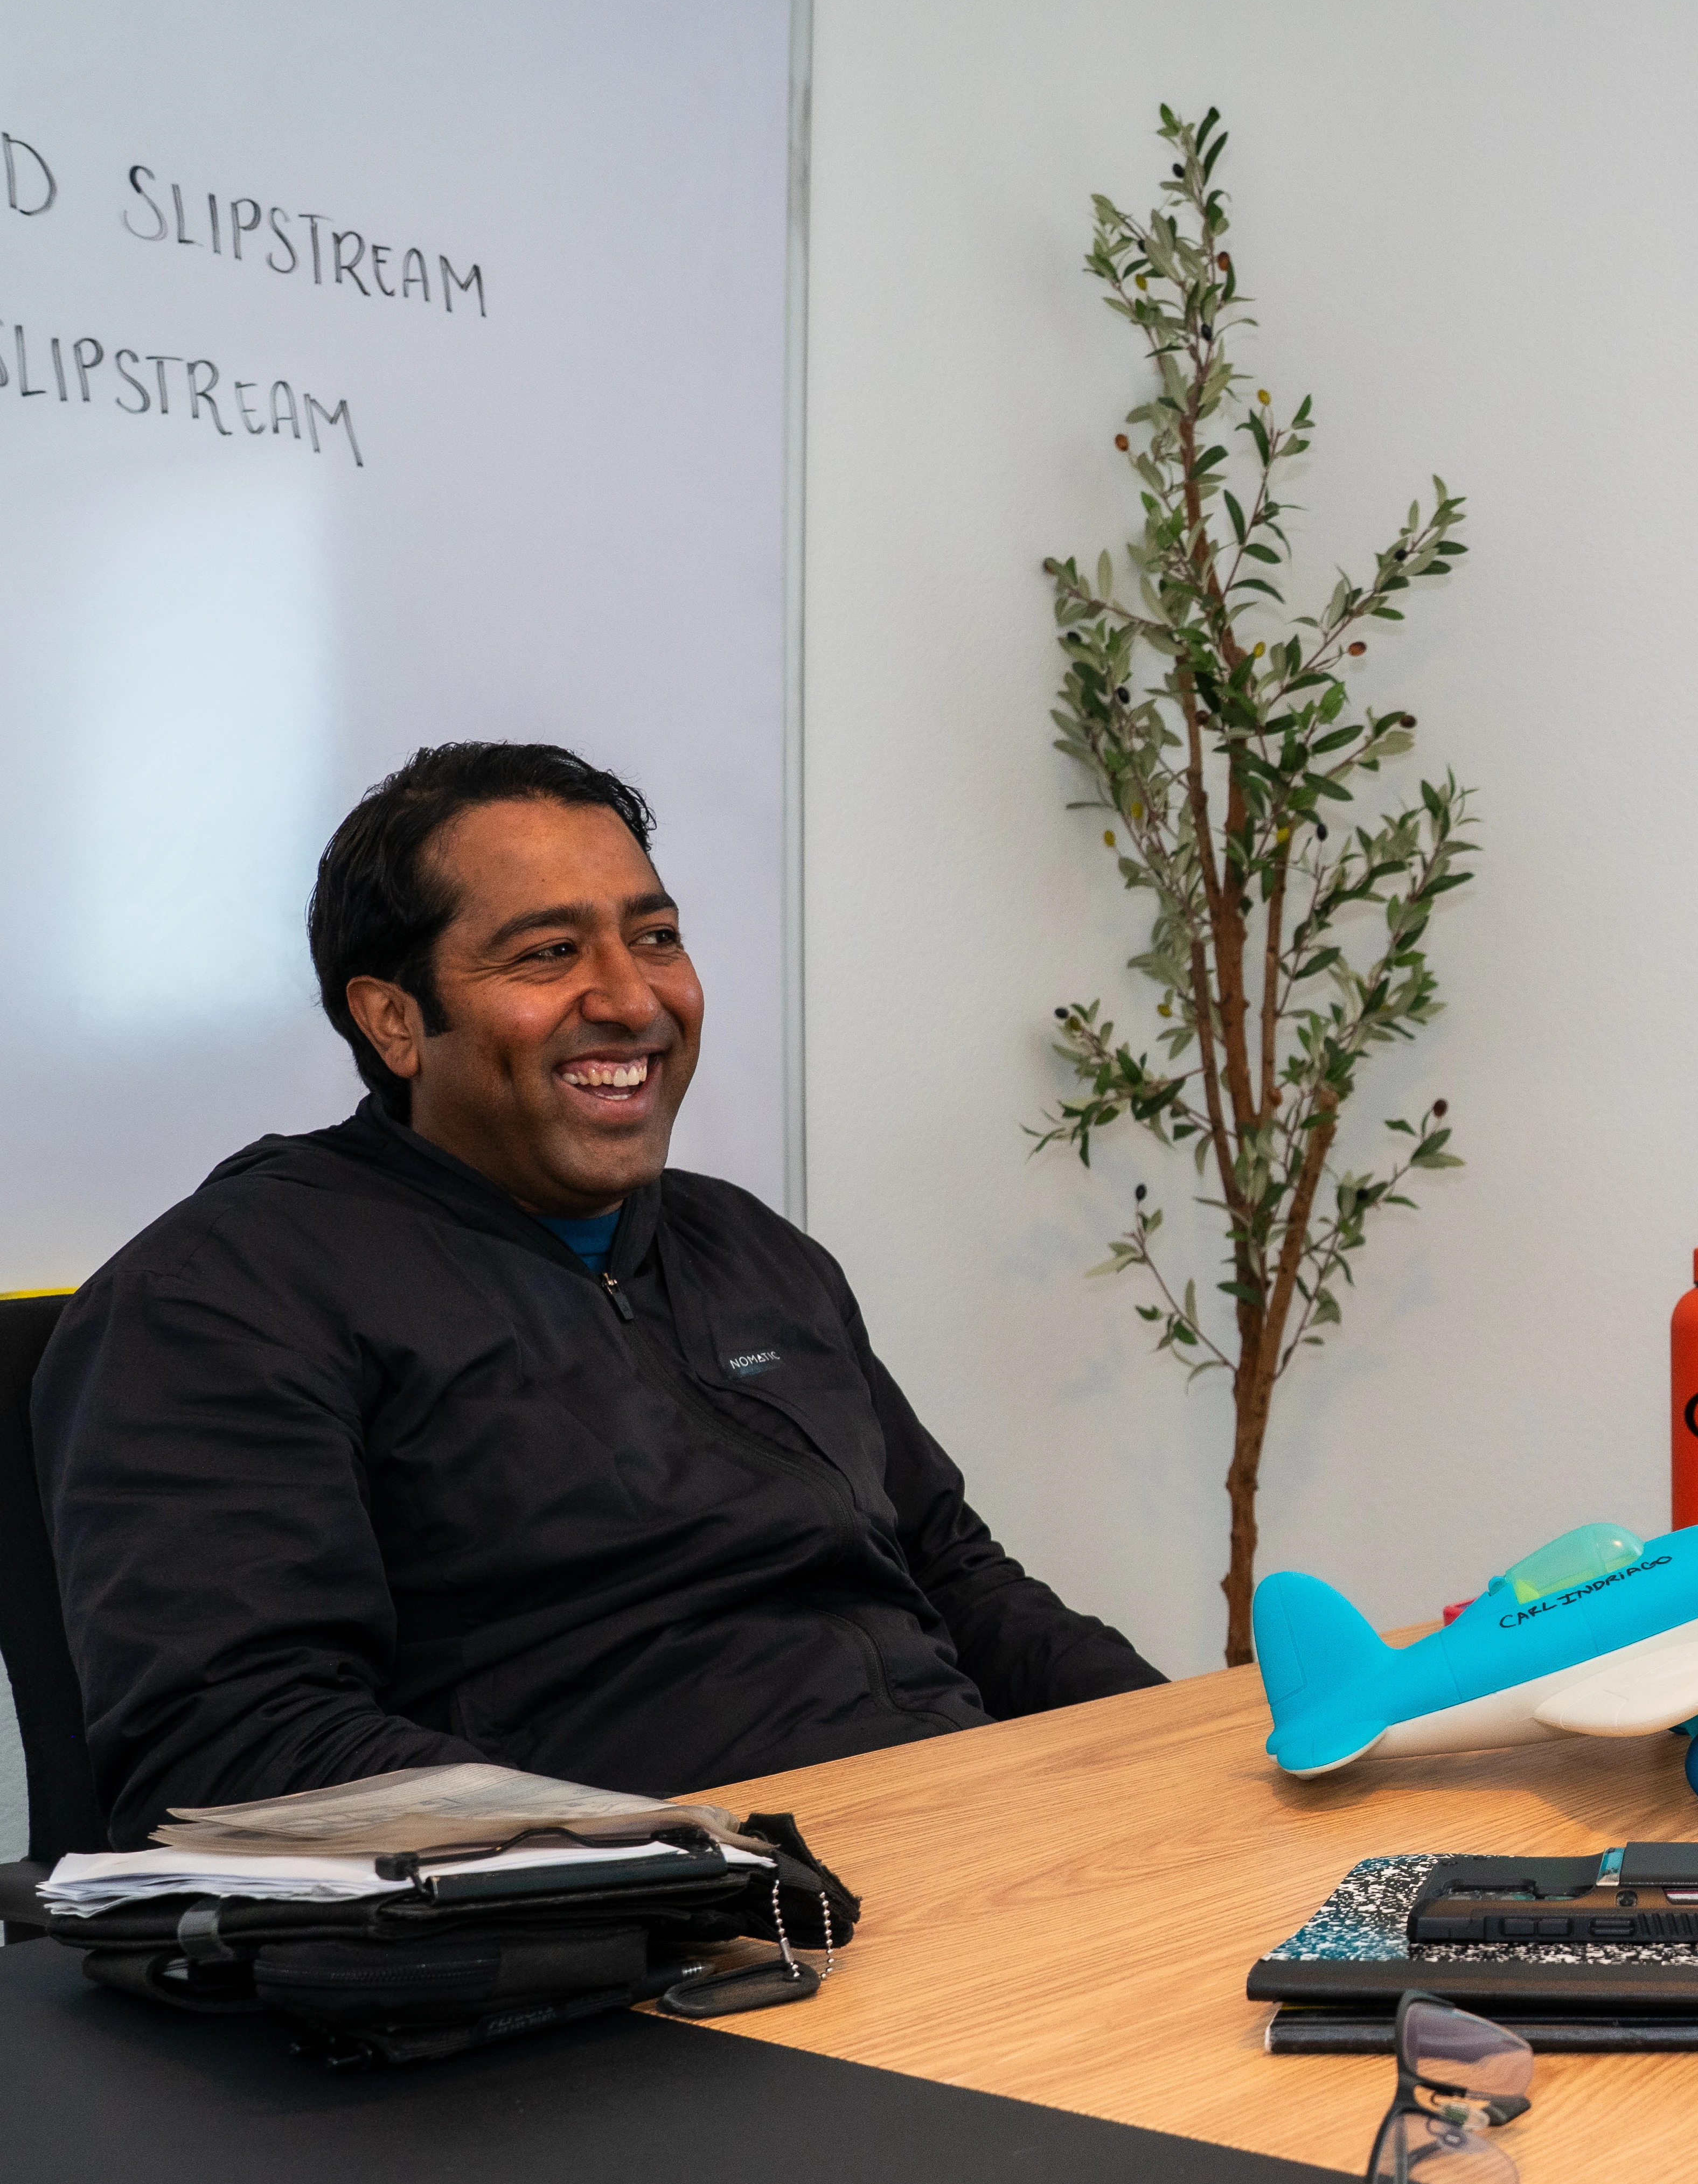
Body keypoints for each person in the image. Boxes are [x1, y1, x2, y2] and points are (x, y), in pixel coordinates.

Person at [36, 741, 1162, 1845]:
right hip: (635, 1951)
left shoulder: (749, 1248)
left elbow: (954, 1573)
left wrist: (1177, 1741)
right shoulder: (221, 1297)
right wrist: (664, 1861)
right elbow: (236, 1749)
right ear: (393, 1021)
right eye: (546, 954)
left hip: (956, 1849)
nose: (632, 999)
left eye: (656, 938)